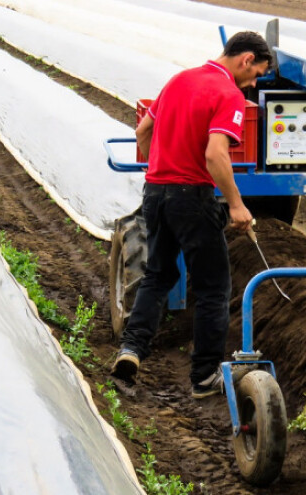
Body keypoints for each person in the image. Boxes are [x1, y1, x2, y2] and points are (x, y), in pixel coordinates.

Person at [110, 32, 272, 399]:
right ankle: (203, 377)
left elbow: (143, 130)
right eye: (257, 72)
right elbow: (215, 155)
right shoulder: (229, 94)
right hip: (191, 196)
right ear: (246, 59)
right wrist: (236, 204)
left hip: (155, 192)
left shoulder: (179, 80)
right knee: (214, 288)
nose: (255, 82)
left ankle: (132, 350)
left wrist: (160, 171)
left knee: (159, 274)